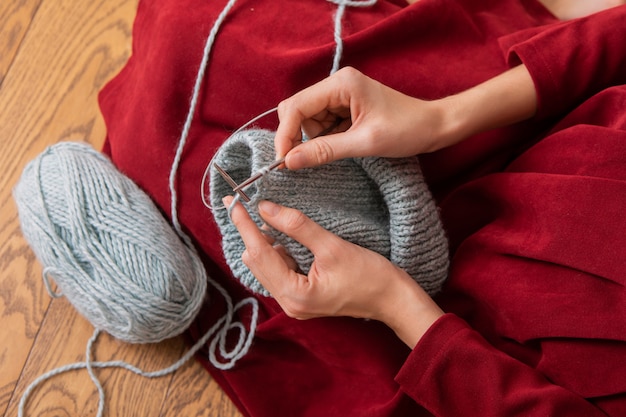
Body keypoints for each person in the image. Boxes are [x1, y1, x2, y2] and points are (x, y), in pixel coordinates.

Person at [98, 0, 626, 415]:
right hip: (516, 125)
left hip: (443, 324)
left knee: (178, 150)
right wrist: (442, 119)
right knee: (199, 30)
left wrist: (392, 303)